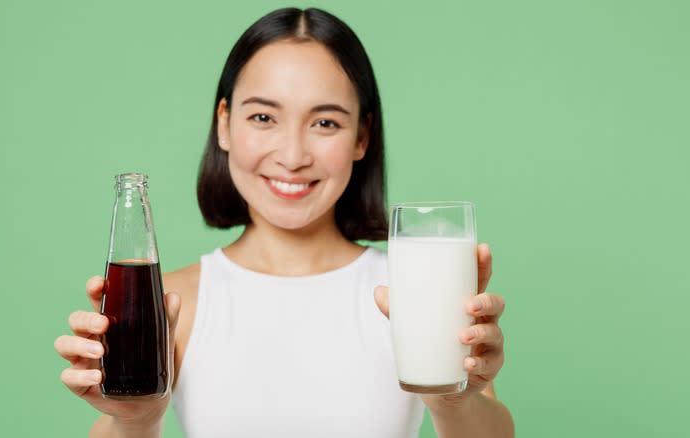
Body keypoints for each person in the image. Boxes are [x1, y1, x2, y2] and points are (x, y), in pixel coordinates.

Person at [54, 7, 514, 438]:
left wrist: (454, 402)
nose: (292, 156)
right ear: (224, 124)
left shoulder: (408, 292)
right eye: (262, 116)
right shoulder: (175, 304)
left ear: (362, 137)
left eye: (326, 123)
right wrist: (138, 419)